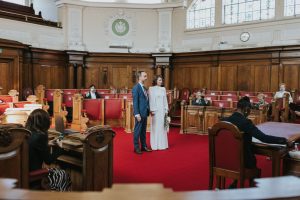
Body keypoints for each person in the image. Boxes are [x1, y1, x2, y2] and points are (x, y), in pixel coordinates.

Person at [223, 97, 291, 188]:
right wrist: (284, 140)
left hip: (225, 159)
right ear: (246, 110)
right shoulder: (245, 123)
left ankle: (234, 182)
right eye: (249, 110)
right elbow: (264, 138)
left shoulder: (225, 120)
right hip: (243, 162)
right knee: (251, 160)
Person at [26, 109, 71, 191]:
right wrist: (60, 148)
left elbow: (34, 145)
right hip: (34, 175)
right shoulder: (41, 136)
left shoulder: (26, 133)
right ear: (45, 122)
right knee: (62, 174)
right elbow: (48, 160)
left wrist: (48, 143)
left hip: (23, 173)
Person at [132, 71, 152, 154]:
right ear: (139, 77)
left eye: (146, 76)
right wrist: (137, 114)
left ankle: (144, 146)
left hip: (145, 112)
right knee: (137, 131)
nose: (146, 78)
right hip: (139, 113)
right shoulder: (136, 88)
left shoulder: (144, 87)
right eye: (145, 76)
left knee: (143, 131)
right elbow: (135, 102)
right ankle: (136, 148)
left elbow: (146, 100)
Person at [149, 75, 169, 150]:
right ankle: (155, 145)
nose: (161, 81)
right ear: (155, 80)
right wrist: (152, 110)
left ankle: (162, 145)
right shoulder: (151, 89)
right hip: (156, 111)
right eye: (159, 80)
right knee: (155, 127)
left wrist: (166, 109)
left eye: (161, 80)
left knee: (162, 127)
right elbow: (151, 100)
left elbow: (165, 100)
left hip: (162, 111)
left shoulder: (163, 89)